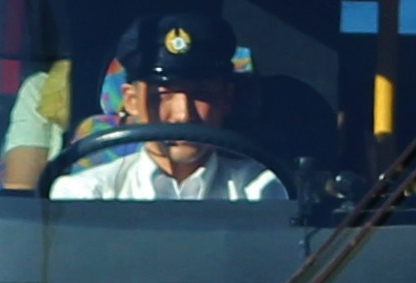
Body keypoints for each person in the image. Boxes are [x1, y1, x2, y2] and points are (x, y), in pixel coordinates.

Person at [47, 40, 293, 205]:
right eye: (163, 95)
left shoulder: (261, 191)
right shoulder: (86, 194)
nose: (183, 115)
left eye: (202, 93)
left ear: (226, 99)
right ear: (131, 101)